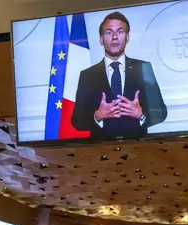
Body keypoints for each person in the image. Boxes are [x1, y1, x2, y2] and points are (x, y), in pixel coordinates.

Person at [71, 11, 167, 140]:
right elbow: (77, 121)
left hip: (139, 149)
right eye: (109, 32)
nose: (115, 37)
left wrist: (141, 114)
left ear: (127, 38)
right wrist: (97, 116)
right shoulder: (87, 75)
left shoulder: (144, 68)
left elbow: (161, 113)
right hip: (100, 150)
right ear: (101, 39)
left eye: (120, 31)